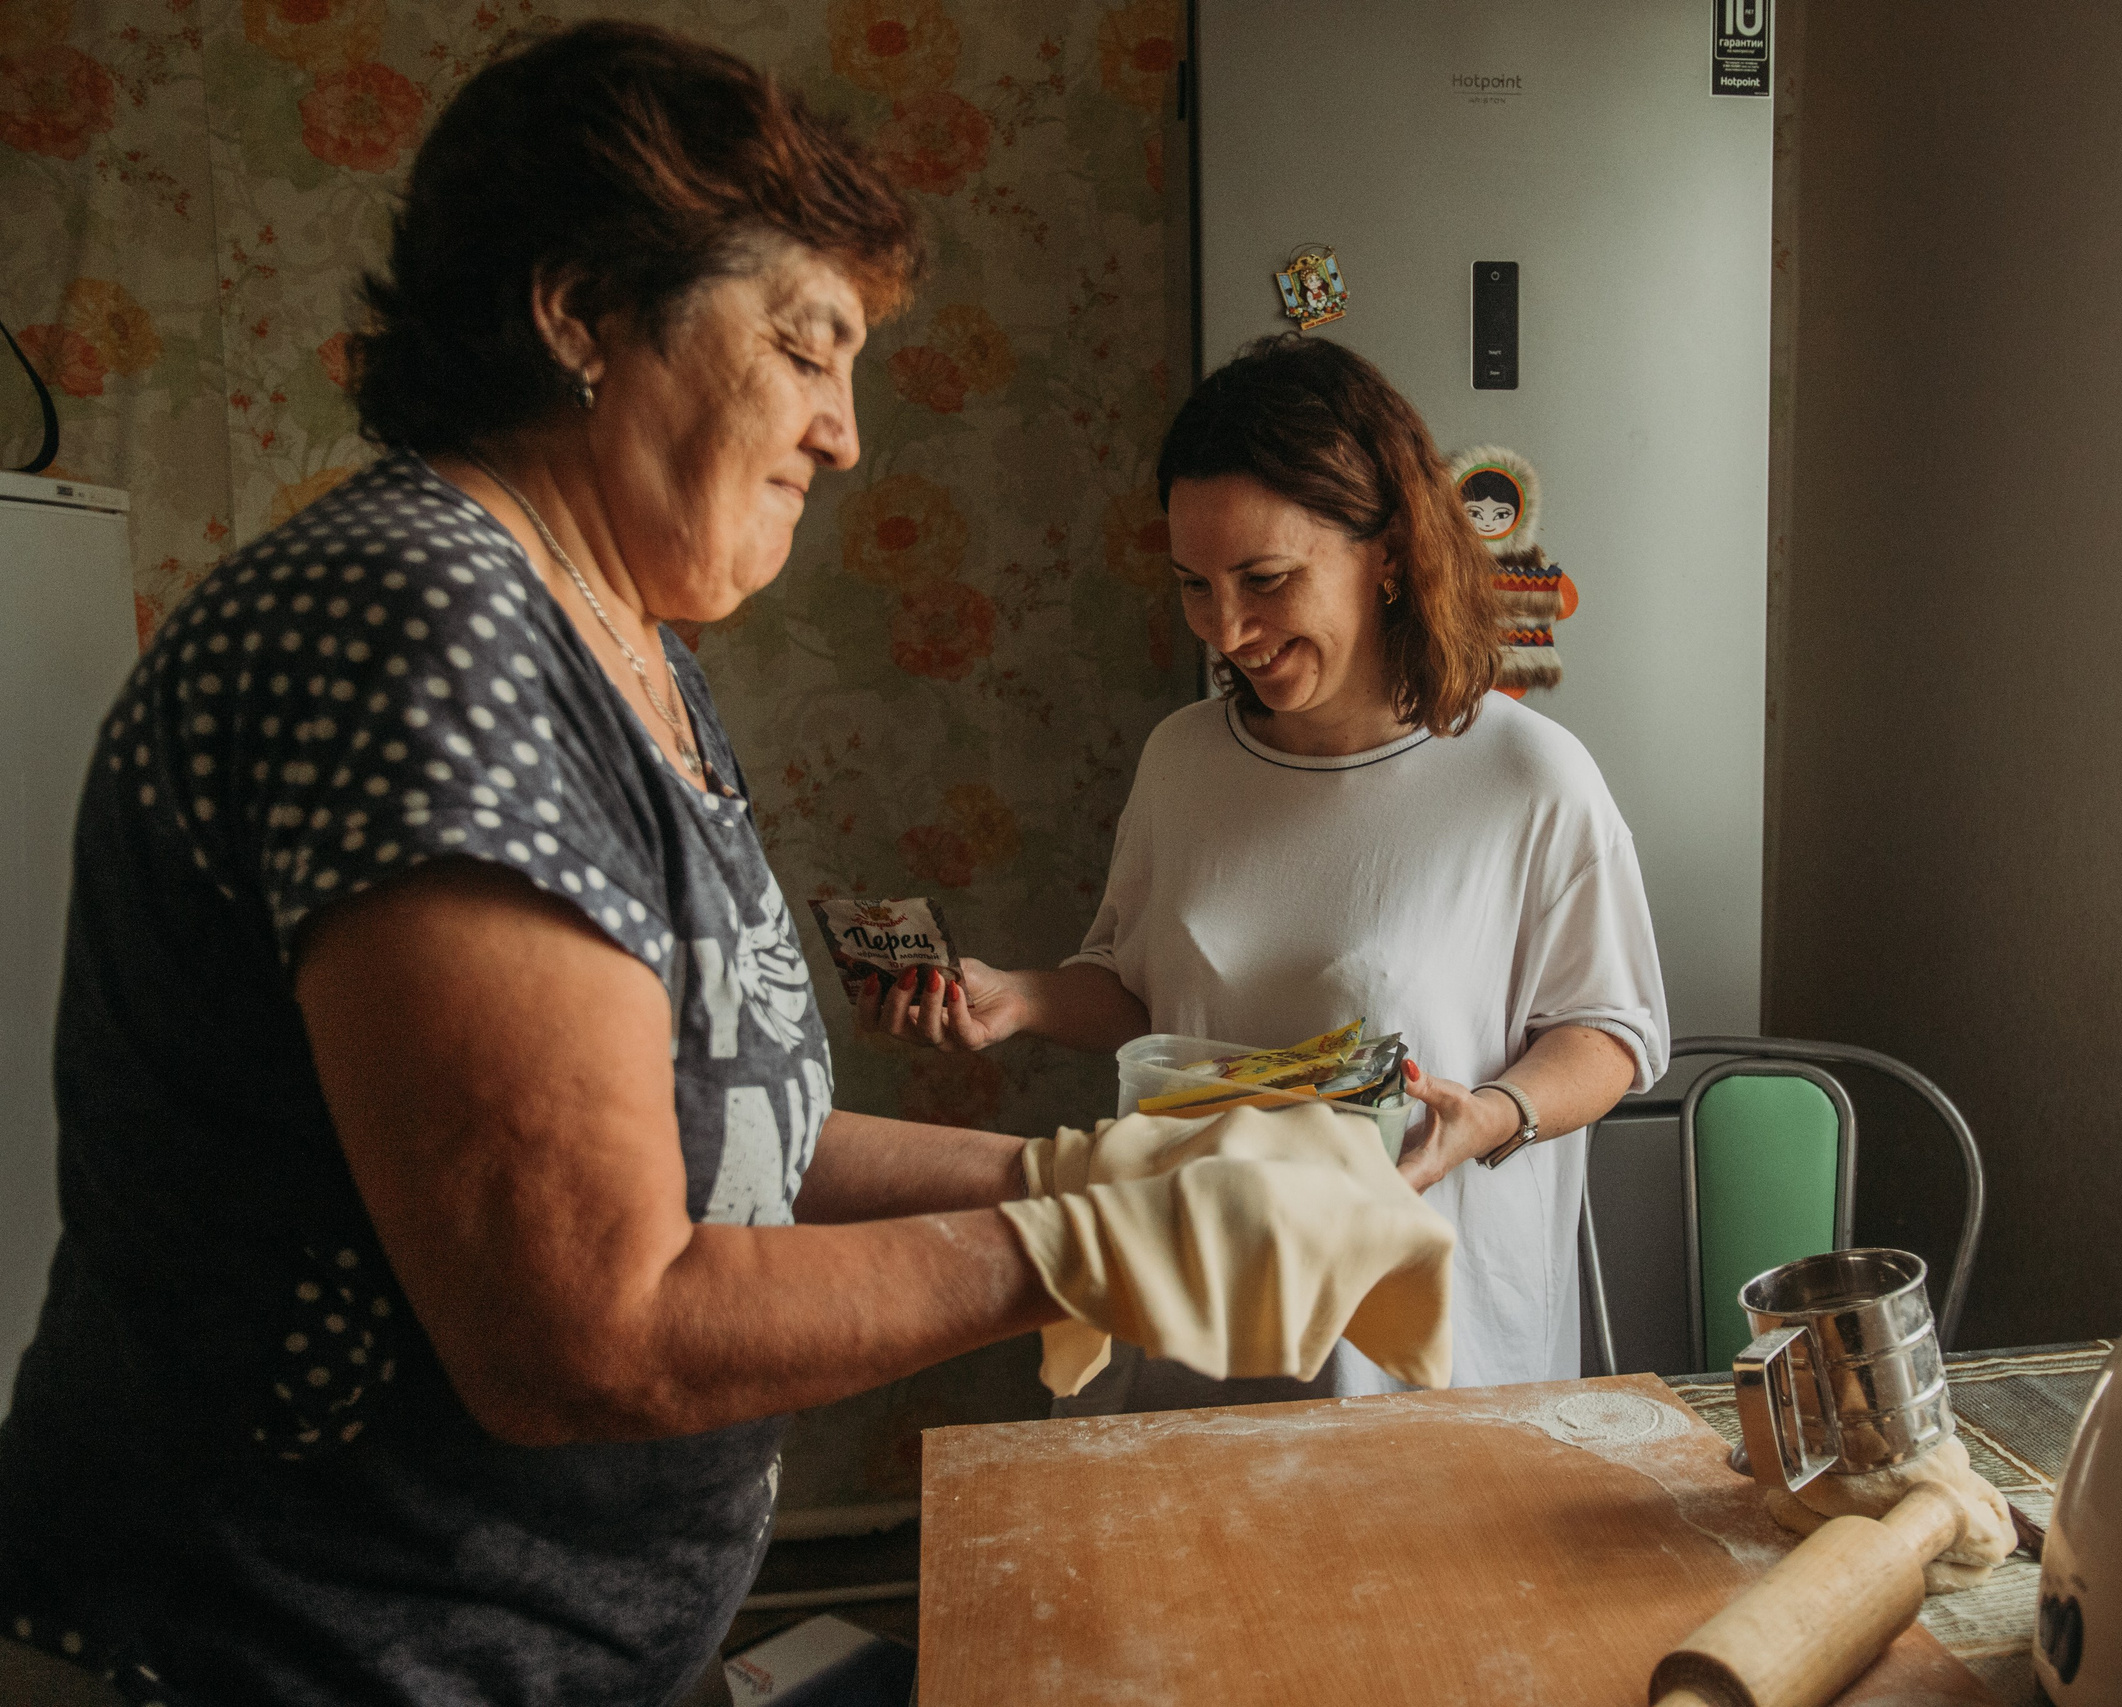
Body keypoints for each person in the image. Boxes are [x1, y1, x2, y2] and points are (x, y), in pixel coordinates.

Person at [0, 27, 1419, 1706]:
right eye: (809, 348)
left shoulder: (628, 653)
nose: (846, 434)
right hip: (299, 1662)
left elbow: (738, 1144)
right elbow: (586, 1323)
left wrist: (1067, 1169)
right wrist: (1095, 1243)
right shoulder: (419, 621)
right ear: (581, 311)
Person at [866, 335, 1672, 1410]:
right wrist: (1019, 998)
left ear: (1388, 553)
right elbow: (1152, 1000)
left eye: (1266, 580)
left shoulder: (1525, 778)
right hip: (1193, 1310)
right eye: (1194, 587)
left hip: (1408, 1353)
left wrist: (1493, 1112)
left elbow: (1611, 1032)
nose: (1229, 629)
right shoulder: (1182, 760)